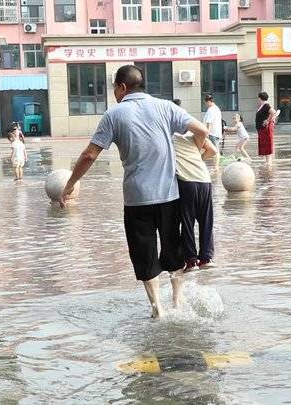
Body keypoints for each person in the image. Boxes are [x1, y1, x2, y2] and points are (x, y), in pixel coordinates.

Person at [59, 65, 210, 319]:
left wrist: (70, 184)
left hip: (137, 198)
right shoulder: (166, 107)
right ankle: (177, 301)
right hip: (169, 195)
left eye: (114, 89)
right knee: (173, 250)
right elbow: (203, 131)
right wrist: (194, 158)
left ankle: (157, 309)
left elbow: (89, 154)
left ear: (121, 87)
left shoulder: (114, 114)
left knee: (144, 253)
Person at [171, 99, 218, 272]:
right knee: (206, 221)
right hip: (204, 180)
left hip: (186, 182)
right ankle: (206, 258)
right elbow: (213, 151)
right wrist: (198, 159)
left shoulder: (169, 136)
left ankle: (191, 261)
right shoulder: (193, 135)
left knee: (187, 221)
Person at [256, 92, 278, 165]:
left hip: (265, 128)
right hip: (261, 128)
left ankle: (269, 161)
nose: (257, 99)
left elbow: (273, 112)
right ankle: (267, 160)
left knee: (267, 143)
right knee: (264, 144)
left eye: (258, 97)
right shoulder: (262, 106)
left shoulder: (266, 105)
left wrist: (267, 120)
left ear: (260, 98)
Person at [202, 94, 222, 171]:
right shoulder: (217, 109)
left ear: (209, 102)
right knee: (213, 149)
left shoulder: (211, 110)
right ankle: (215, 166)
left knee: (214, 150)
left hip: (212, 133)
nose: (206, 105)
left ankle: (215, 167)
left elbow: (209, 123)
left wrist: (206, 133)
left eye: (206, 103)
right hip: (216, 132)